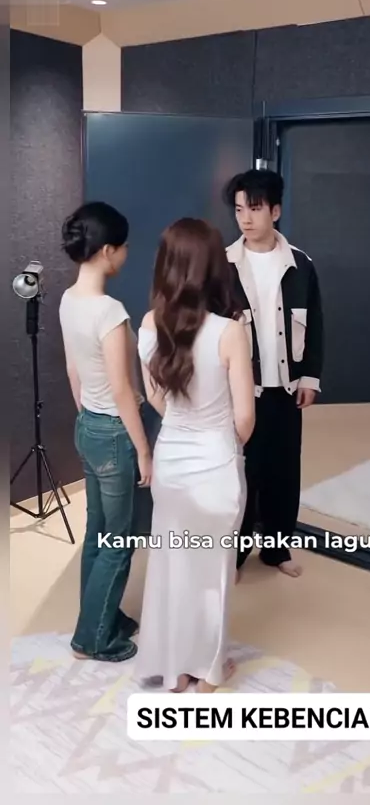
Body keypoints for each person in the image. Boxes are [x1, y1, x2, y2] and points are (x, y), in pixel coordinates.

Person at [135, 218, 255, 693]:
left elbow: (155, 399)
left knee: (174, 566)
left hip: (172, 462)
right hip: (216, 464)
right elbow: (245, 418)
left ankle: (175, 668)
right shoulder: (230, 331)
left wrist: (185, 428)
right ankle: (207, 671)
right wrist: (222, 445)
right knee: (213, 573)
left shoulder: (149, 324)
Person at [59, 201, 152, 662]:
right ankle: (94, 638)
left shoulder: (68, 300)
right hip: (115, 432)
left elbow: (73, 371)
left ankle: (100, 617)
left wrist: (87, 416)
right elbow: (121, 389)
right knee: (118, 541)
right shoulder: (110, 312)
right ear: (108, 250)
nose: (127, 253)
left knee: (98, 533)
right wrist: (143, 450)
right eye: (124, 246)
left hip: (89, 428)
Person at [223, 168, 324, 580]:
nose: (245, 218)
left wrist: (310, 378)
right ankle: (234, 555)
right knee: (243, 474)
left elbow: (315, 325)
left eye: (255, 208)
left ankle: (277, 549)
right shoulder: (224, 264)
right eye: (239, 209)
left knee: (283, 472)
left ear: (275, 211)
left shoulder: (300, 264)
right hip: (242, 391)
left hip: (285, 389)